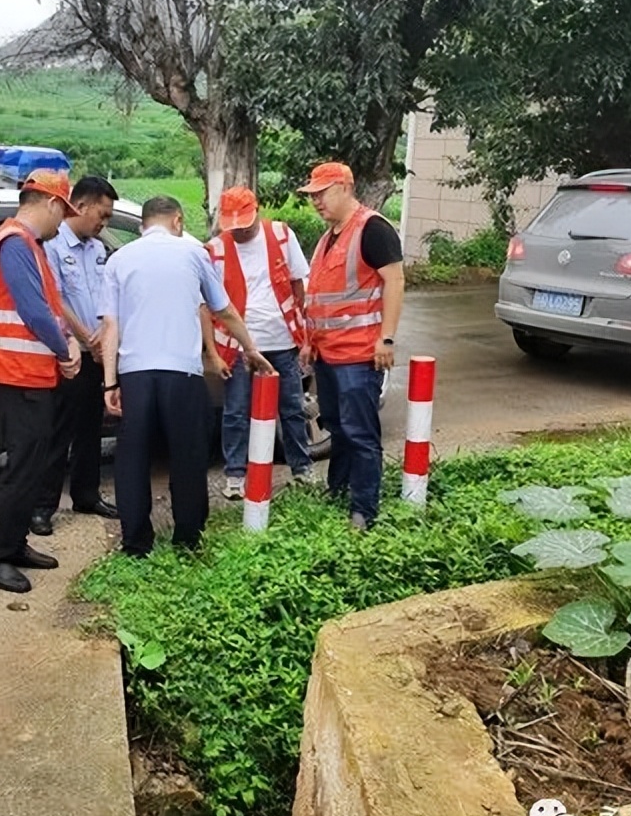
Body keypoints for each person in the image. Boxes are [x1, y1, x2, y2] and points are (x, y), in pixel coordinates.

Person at [100, 196, 272, 556]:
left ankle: (136, 543)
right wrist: (250, 348)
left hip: (135, 374)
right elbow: (223, 310)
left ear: (143, 224)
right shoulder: (193, 254)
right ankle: (188, 539)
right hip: (182, 373)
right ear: (177, 220)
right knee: (188, 456)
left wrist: (110, 382)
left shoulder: (119, 260)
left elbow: (111, 326)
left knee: (133, 458)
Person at [0, 169, 83, 594]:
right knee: (22, 467)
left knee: (32, 462)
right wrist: (64, 351)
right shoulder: (16, 243)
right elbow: (35, 313)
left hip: (27, 373)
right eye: (64, 211)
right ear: (53, 203)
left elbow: (45, 309)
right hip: (18, 373)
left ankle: (15, 544)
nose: (62, 222)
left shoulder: (23, 243)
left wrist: (62, 347)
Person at [299, 162, 405, 530]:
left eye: (321, 193)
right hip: (327, 355)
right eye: (312, 195)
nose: (315, 201)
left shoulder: (372, 229)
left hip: (359, 356)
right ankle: (339, 488)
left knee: (360, 434)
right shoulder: (329, 236)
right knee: (337, 427)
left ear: (345, 187)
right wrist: (310, 342)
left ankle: (364, 510)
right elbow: (320, 295)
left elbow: (395, 282)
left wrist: (386, 338)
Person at [204, 186, 314, 500]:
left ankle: (301, 469)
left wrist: (304, 336)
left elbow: (298, 284)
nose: (239, 231)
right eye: (233, 226)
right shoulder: (216, 249)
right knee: (236, 411)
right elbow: (205, 305)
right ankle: (236, 475)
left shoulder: (280, 235)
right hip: (237, 346)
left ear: (258, 211)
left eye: (245, 224)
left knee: (292, 407)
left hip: (281, 340)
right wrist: (213, 352)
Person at [31, 175, 121, 537]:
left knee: (90, 429)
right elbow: (54, 298)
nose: (104, 223)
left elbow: (103, 297)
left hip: (96, 353)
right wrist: (85, 335)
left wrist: (104, 336)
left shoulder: (98, 249)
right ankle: (42, 506)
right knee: (58, 432)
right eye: (102, 215)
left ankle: (87, 494)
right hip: (67, 352)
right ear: (80, 206)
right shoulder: (51, 245)